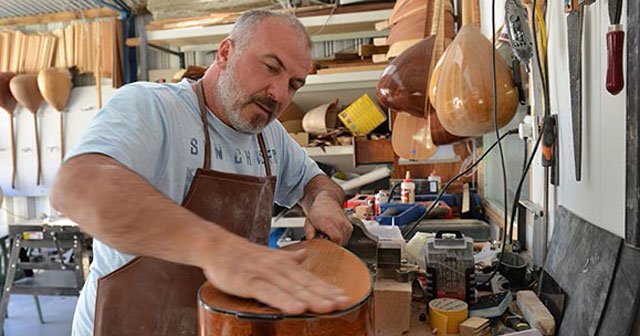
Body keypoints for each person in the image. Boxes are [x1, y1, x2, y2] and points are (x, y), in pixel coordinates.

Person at [51, 10, 353, 336]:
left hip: (220, 327)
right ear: (225, 53)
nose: (279, 94)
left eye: (294, 84)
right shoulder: (153, 108)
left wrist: (323, 201)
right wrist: (219, 250)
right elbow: (78, 185)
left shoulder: (271, 136)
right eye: (270, 67)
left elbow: (314, 181)